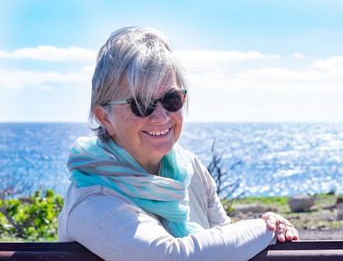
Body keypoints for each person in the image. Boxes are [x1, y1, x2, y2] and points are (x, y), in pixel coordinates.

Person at [58, 26, 299, 261]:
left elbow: (223, 239)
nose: (162, 117)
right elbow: (172, 256)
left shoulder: (189, 169)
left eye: (171, 99)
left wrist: (260, 229)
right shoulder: (91, 199)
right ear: (105, 118)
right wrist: (264, 228)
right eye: (141, 104)